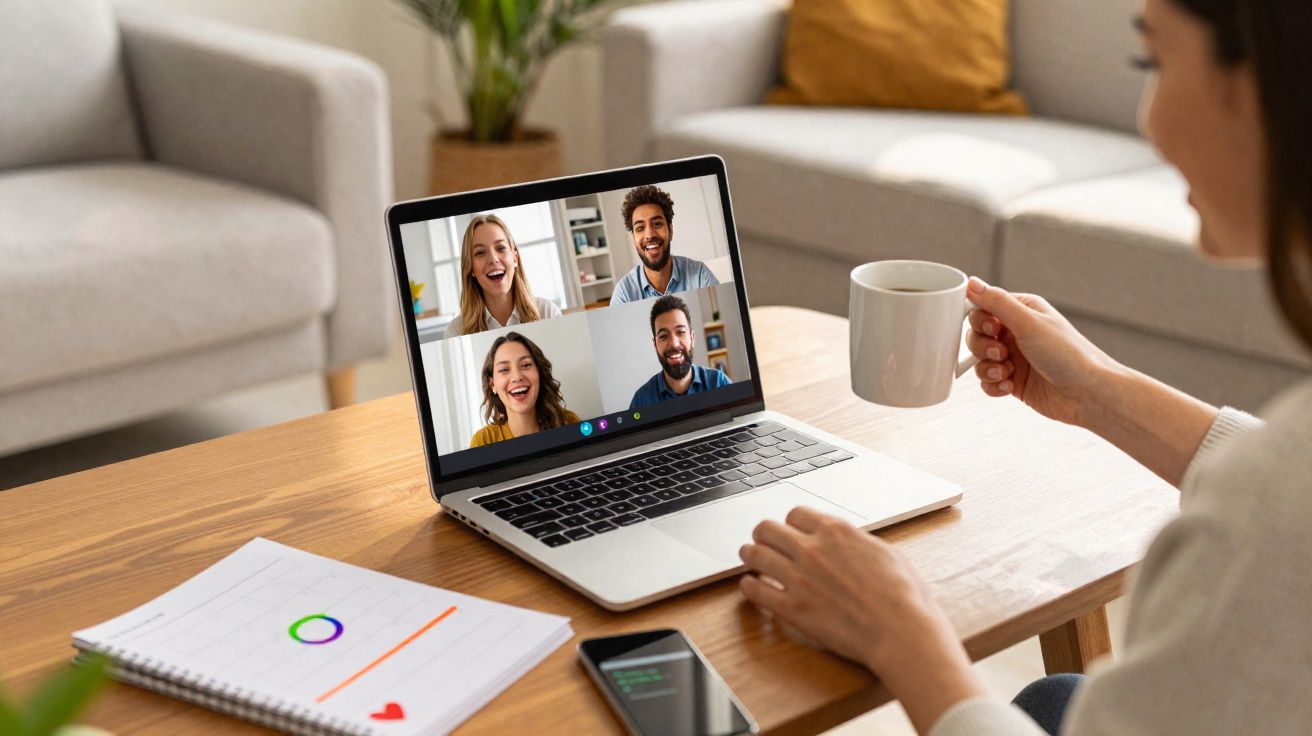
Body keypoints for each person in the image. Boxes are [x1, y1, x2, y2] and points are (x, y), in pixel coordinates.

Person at [737, 1, 1312, 734]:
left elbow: (1286, 501)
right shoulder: (1280, 487)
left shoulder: (1263, 529)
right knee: (1053, 696)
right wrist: (1100, 392)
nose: (1148, 119)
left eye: (1154, 61)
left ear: (1268, 79)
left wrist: (903, 632)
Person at [444, 214, 562, 338]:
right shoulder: (456, 332)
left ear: (515, 258)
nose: (493, 259)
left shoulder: (547, 313)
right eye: (480, 253)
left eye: (500, 248)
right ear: (471, 267)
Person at [610, 185, 720, 304]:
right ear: (633, 238)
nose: (649, 235)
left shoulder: (699, 275)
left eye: (657, 224)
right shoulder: (624, 293)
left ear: (670, 231)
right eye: (640, 228)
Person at [470, 331, 580, 447]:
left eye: (526, 365)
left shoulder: (569, 422)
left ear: (539, 373)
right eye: (503, 370)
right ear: (492, 384)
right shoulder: (483, 441)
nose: (517, 377)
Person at [630, 295, 730, 409]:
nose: (674, 343)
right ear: (655, 345)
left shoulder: (719, 383)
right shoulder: (641, 401)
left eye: (681, 332)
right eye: (663, 336)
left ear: (692, 338)